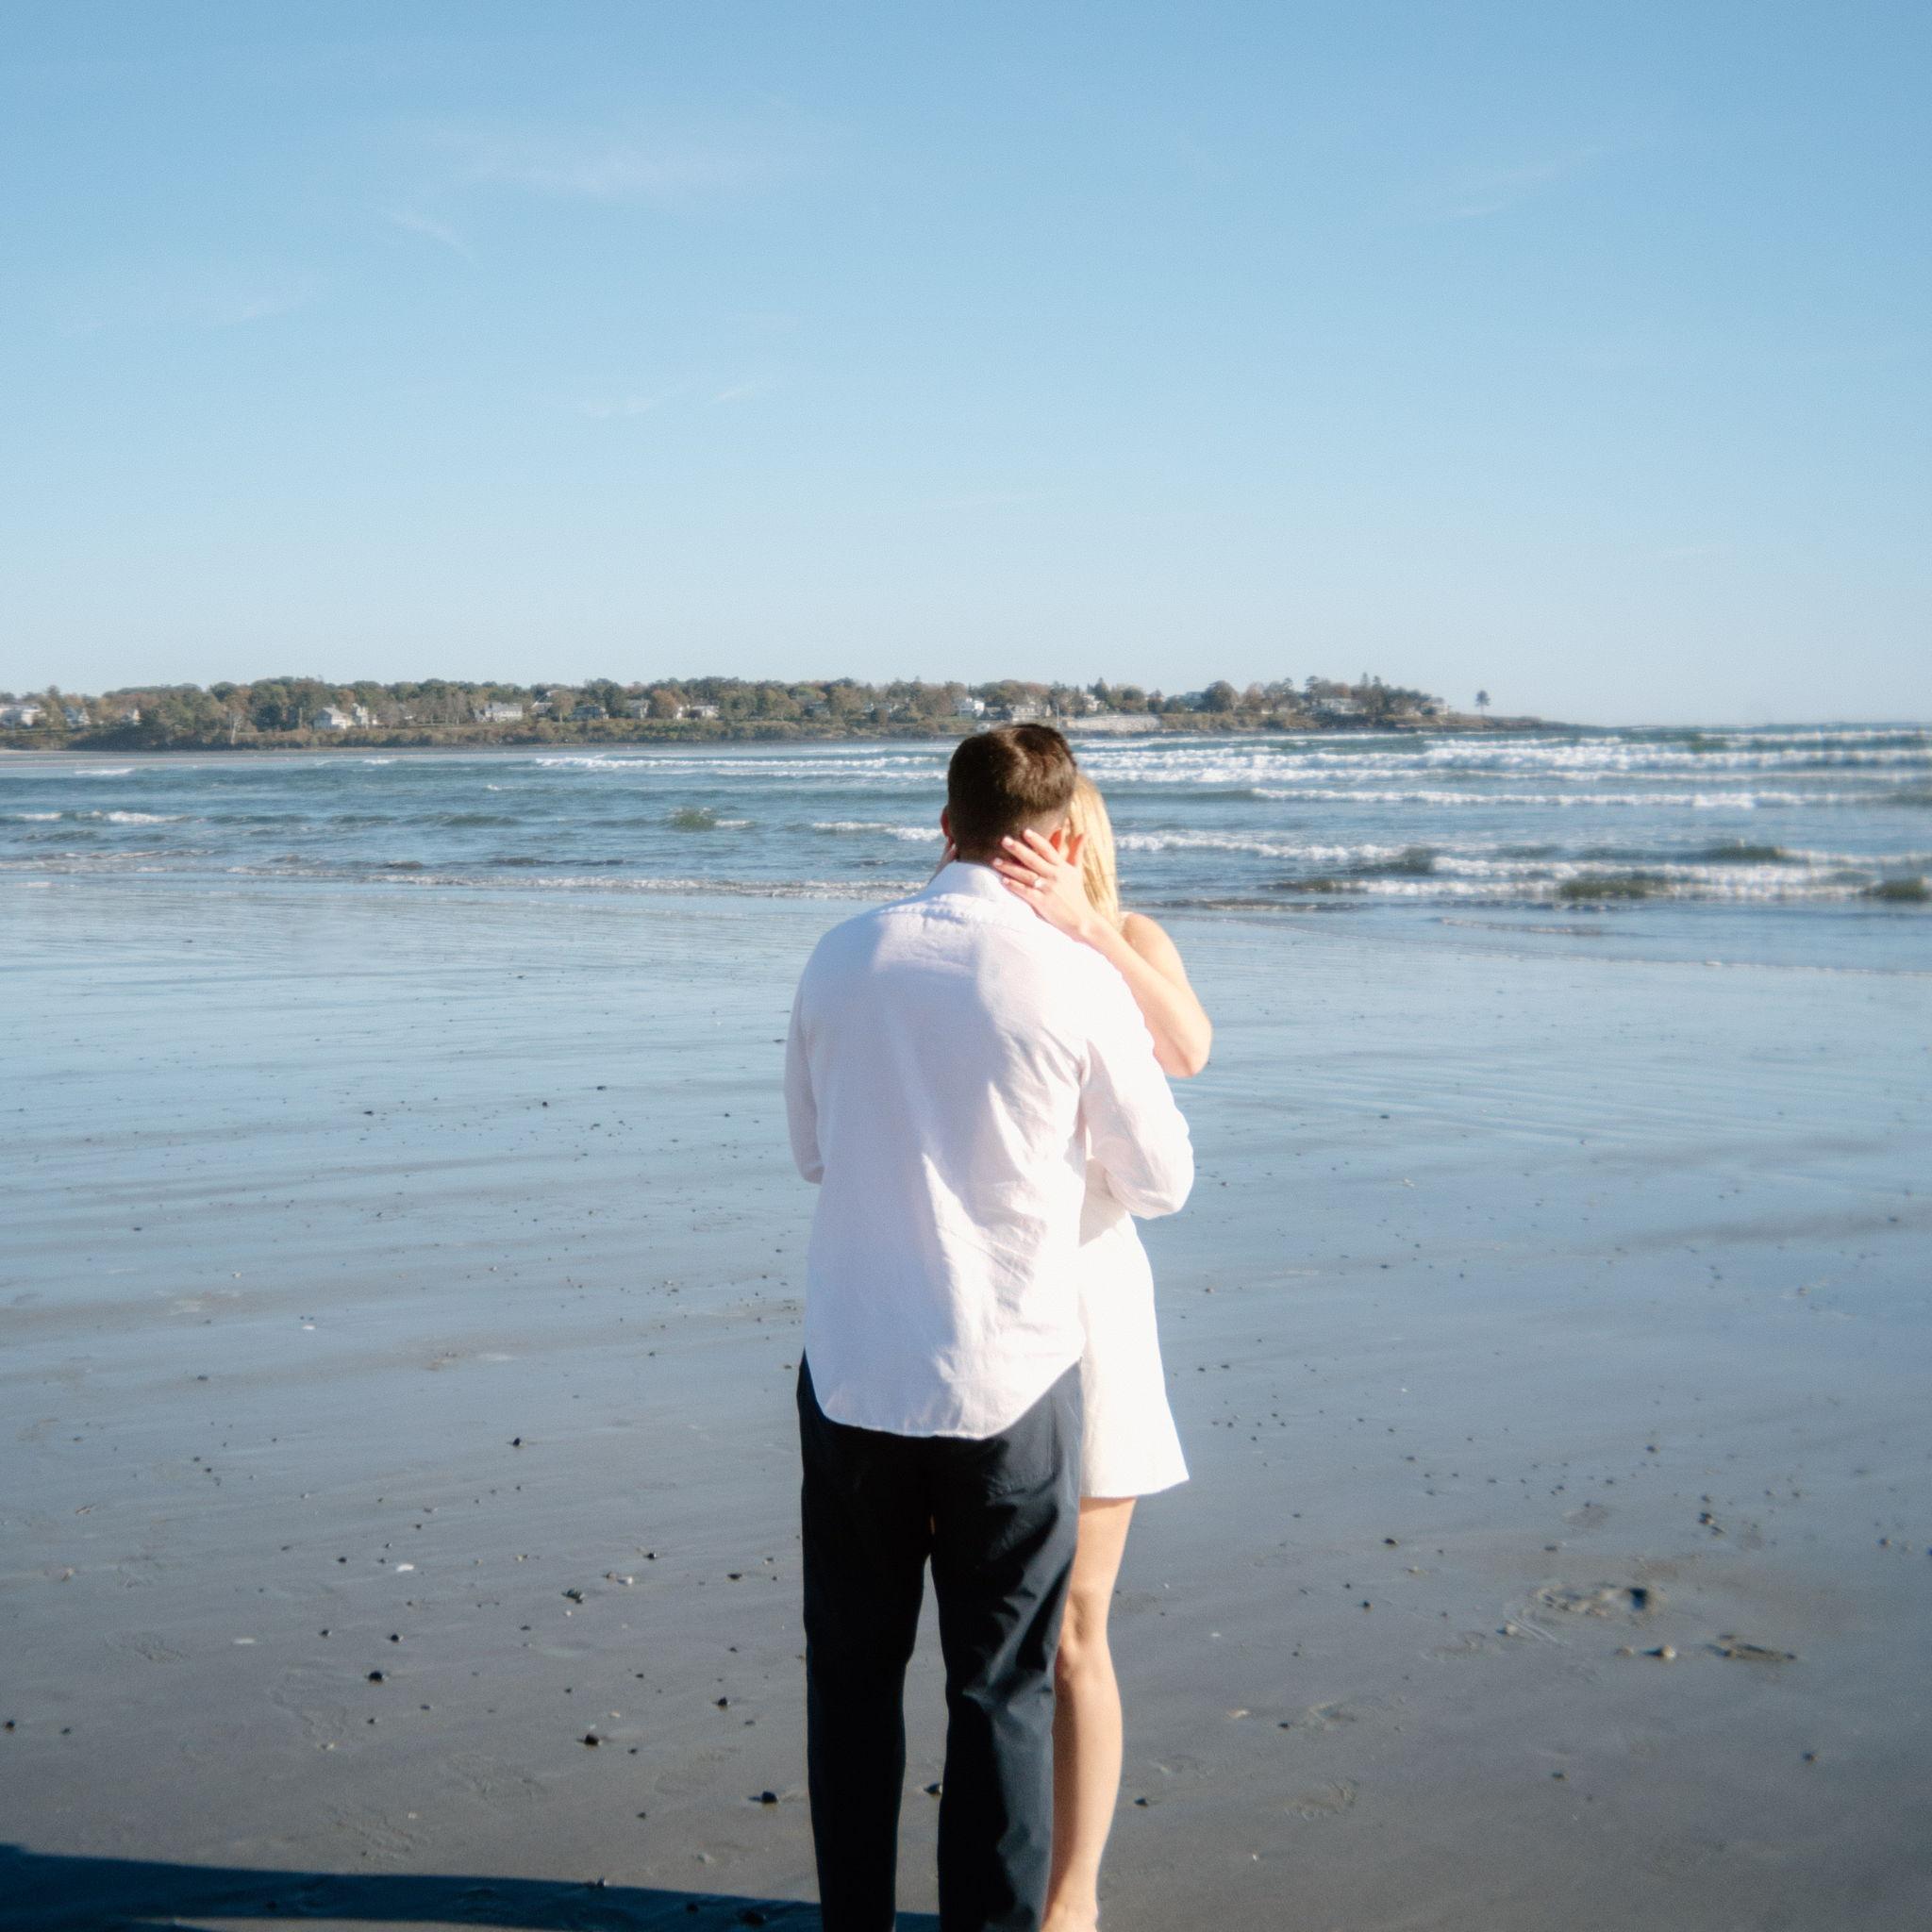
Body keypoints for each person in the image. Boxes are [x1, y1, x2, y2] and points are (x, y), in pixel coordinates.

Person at [784, 724, 1194, 1932]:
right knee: (1001, 1689)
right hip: (1009, 1376)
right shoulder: (1073, 978)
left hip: (855, 1365)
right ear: (1060, 837)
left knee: (850, 1677)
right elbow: (1160, 1179)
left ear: (944, 823)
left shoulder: (839, 953)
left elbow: (810, 1149)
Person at [991, 776, 1212, 1932]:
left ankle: (1070, 1900)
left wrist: (1089, 927)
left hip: (1094, 1300)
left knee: (1077, 1623)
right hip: (989, 1301)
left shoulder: (1128, 935)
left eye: (1039, 835)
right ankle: (1004, 1880)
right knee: (998, 1635)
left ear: (1074, 840)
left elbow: (1189, 1048)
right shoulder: (982, 943)